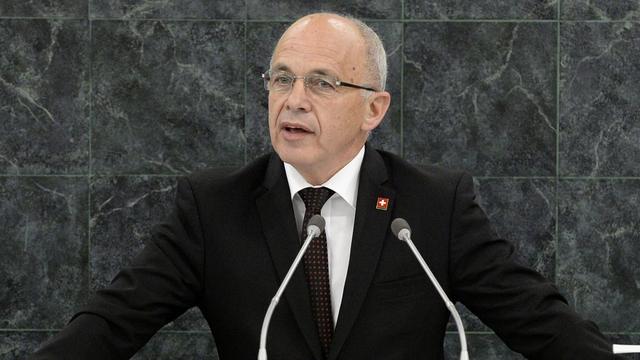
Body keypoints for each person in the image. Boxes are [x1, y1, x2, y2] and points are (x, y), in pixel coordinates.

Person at [31, 13, 619, 360]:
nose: (293, 100)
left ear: (374, 109)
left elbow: (538, 320)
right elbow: (108, 326)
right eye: (281, 79)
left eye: (321, 83)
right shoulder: (212, 209)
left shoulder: (431, 207)